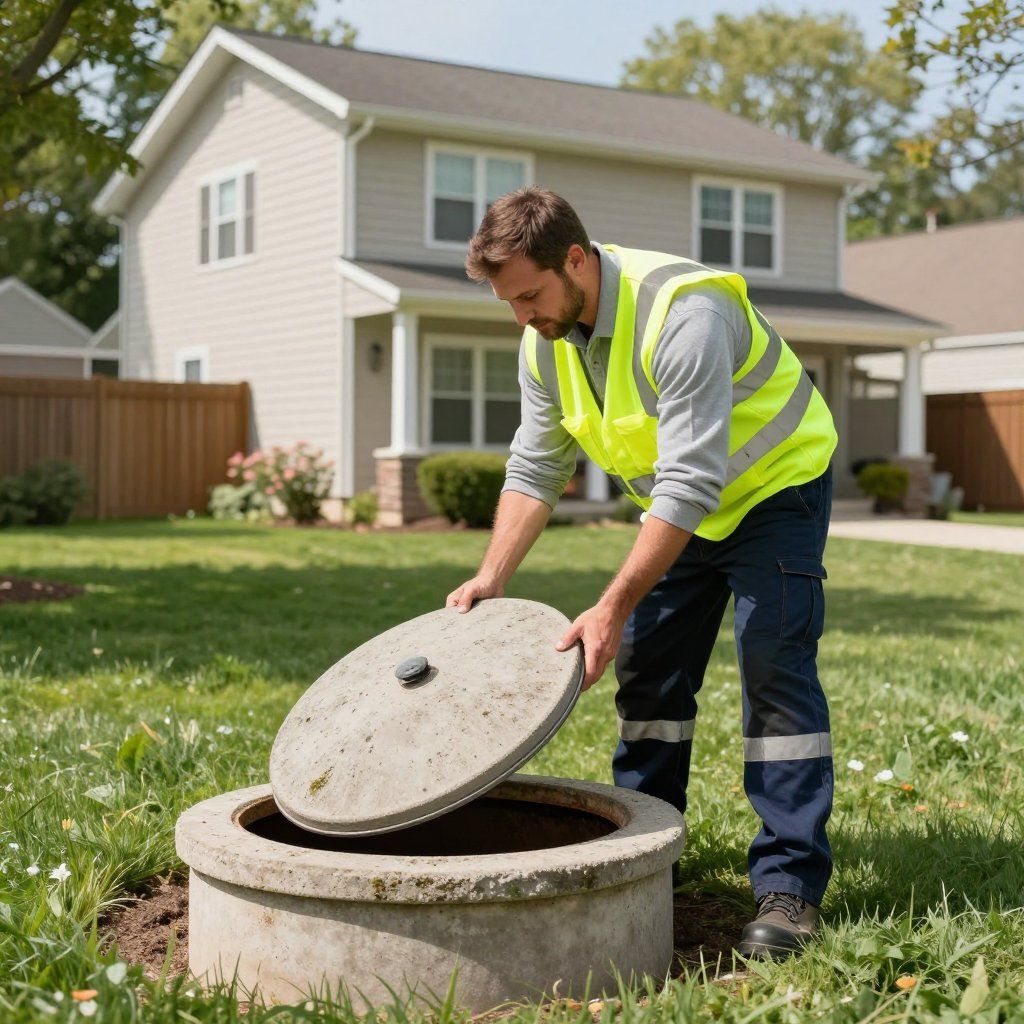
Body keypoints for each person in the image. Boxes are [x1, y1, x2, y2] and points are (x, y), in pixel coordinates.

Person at [445, 186, 836, 960]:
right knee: (651, 675)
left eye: (528, 294)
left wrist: (612, 601)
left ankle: (789, 889)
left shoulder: (684, 315)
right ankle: (649, 853)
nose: (521, 314)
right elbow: (537, 463)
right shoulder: (545, 339)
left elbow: (691, 481)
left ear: (578, 261)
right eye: (507, 301)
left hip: (774, 492)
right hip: (683, 507)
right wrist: (491, 573)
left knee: (773, 669)